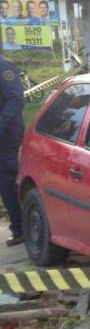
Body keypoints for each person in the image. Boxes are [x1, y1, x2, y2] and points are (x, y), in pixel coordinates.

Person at [0, 53, 24, 246]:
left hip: (5, 135)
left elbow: (15, 100)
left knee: (7, 182)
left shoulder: (4, 67)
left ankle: (20, 229)